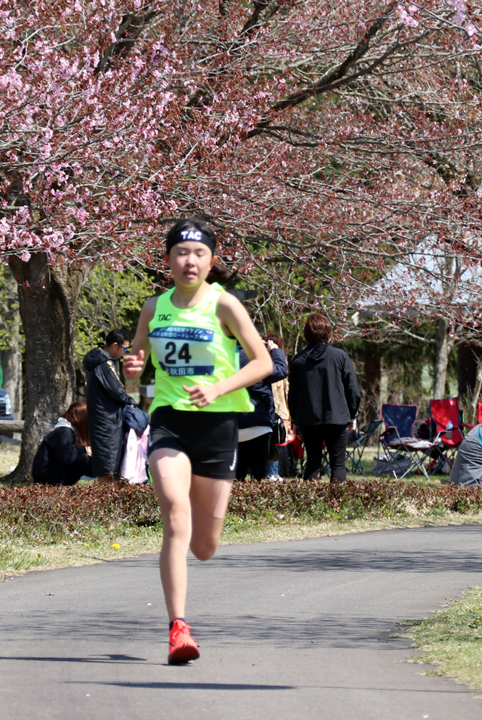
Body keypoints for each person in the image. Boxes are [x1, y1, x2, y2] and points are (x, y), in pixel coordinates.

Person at [123, 217, 272, 665]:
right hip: (169, 420)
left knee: (204, 545)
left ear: (211, 261)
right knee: (173, 509)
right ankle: (178, 627)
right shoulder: (154, 307)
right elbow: (138, 364)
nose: (190, 261)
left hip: (219, 425)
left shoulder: (225, 305)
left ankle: (196, 543)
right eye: (182, 253)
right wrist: (132, 373)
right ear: (167, 259)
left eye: (199, 253)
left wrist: (219, 388)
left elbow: (264, 362)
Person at [288, 314, 361, 482]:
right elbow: (353, 390)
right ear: (328, 332)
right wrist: (351, 414)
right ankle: (336, 505)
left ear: (306, 334)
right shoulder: (340, 356)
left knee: (312, 463)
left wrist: (296, 420)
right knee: (338, 464)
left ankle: (312, 504)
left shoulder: (298, 361)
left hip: (309, 419)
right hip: (337, 417)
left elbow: (293, 395)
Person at [84, 329, 136, 482]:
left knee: (110, 463)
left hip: (107, 420)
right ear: (114, 345)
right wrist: (131, 401)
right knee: (106, 464)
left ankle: (108, 497)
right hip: (105, 422)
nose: (124, 353)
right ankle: (104, 499)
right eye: (124, 348)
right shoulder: (103, 364)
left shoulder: (104, 363)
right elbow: (117, 391)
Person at [235, 335, 288, 481]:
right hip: (259, 423)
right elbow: (280, 371)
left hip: (233, 423)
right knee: (258, 476)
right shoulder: (257, 357)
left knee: (237, 476)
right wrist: (275, 351)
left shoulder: (226, 356)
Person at [30, 403, 92, 486]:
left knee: (85, 459)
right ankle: (62, 486)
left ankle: (65, 485)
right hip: (46, 475)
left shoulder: (70, 432)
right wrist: (83, 449)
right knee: (84, 458)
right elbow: (64, 460)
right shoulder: (64, 432)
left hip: (53, 472)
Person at [265, 333, 291, 481]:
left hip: (279, 411)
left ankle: (272, 473)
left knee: (275, 442)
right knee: (276, 442)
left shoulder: (264, 365)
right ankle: (272, 474)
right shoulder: (276, 367)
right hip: (277, 411)